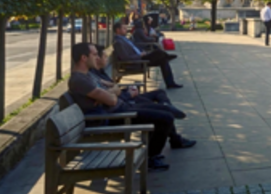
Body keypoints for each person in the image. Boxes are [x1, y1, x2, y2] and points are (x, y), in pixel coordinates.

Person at [68, 43, 190, 172]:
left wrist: (107, 93)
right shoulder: (79, 80)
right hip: (112, 117)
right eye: (94, 54)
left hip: (120, 108)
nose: (97, 58)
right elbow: (112, 100)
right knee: (166, 118)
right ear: (83, 58)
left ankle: (157, 149)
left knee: (164, 110)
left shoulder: (88, 75)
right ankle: (150, 157)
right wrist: (110, 93)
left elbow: (113, 86)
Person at [91, 45, 188, 120]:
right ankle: (166, 107)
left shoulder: (99, 72)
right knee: (163, 113)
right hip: (124, 102)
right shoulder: (89, 77)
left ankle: (167, 105)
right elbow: (110, 97)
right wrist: (127, 93)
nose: (107, 58)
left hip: (123, 99)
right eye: (104, 56)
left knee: (160, 94)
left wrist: (119, 89)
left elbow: (113, 89)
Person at [112, 19, 182, 88]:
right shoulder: (118, 42)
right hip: (138, 62)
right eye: (124, 28)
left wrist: (142, 52)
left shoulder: (124, 38)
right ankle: (167, 57)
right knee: (158, 53)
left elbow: (134, 48)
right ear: (118, 30)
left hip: (141, 57)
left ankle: (170, 83)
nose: (126, 29)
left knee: (163, 60)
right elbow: (125, 58)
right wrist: (139, 55)